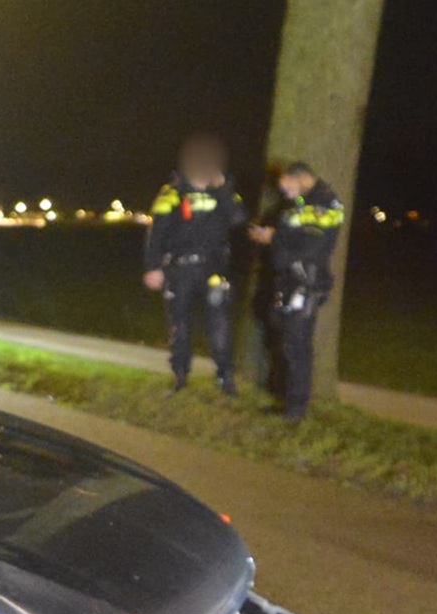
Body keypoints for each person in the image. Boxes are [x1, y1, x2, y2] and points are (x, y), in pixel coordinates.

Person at [142, 135, 249, 395]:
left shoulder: (222, 193)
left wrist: (223, 188)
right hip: (180, 270)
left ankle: (225, 377)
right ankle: (180, 376)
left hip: (214, 269)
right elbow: (156, 233)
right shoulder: (172, 193)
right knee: (179, 324)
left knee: (219, 324)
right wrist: (152, 267)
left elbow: (238, 218)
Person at [248, 162, 346, 422]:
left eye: (286, 187)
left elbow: (311, 249)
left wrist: (273, 239)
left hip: (305, 282)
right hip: (290, 280)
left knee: (297, 346)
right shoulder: (303, 203)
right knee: (283, 340)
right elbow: (296, 237)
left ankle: (296, 409)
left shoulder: (323, 203)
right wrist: (274, 234)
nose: (285, 193)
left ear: (301, 177)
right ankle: (285, 399)